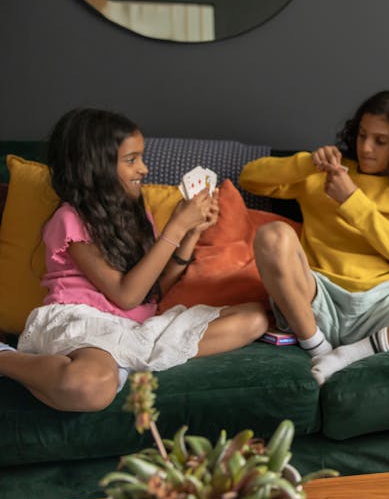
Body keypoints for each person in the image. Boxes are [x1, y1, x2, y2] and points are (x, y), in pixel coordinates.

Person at [0, 108, 268, 412]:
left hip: (138, 328)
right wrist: (176, 226)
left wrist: (190, 234)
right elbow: (126, 296)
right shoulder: (69, 219)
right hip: (85, 323)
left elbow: (152, 292)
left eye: (141, 157)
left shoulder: (138, 216)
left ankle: (126, 360)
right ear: (95, 167)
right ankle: (6, 358)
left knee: (255, 317)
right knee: (89, 387)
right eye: (131, 160)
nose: (144, 168)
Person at [240, 90, 389, 384]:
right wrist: (307, 164)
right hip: (317, 299)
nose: (366, 147)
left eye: (380, 141)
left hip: (383, 305)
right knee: (272, 235)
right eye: (362, 135)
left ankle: (355, 352)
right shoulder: (326, 171)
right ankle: (316, 346)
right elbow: (249, 178)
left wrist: (352, 200)